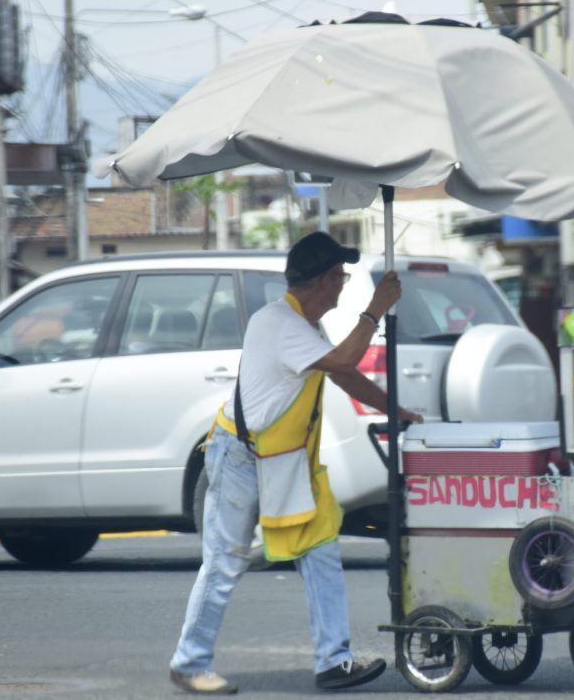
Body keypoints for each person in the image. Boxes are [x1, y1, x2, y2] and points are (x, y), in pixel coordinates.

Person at [169, 231, 423, 695]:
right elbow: (349, 357)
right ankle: (189, 662)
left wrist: (394, 410)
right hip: (240, 458)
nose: (345, 284)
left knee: (320, 549)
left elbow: (346, 374)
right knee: (224, 561)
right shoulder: (280, 323)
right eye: (342, 276)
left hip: (281, 461)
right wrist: (377, 308)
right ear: (326, 280)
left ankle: (334, 661)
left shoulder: (306, 328)